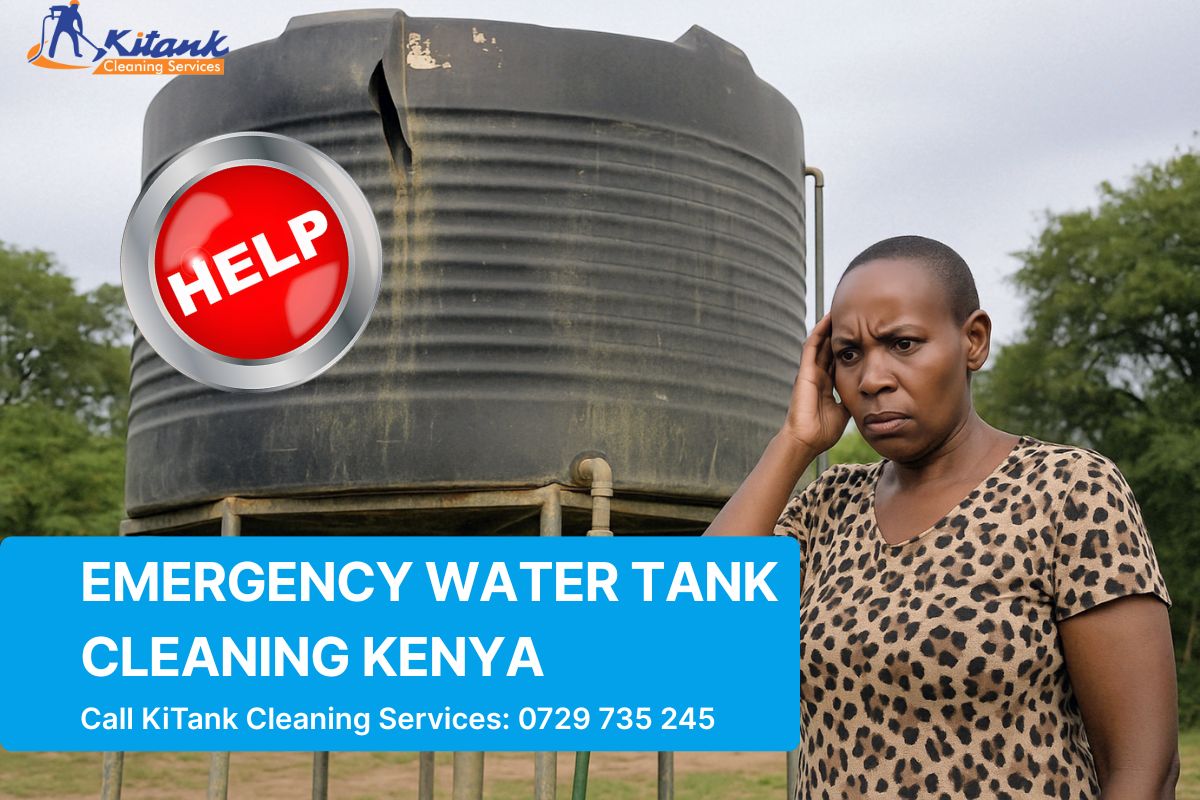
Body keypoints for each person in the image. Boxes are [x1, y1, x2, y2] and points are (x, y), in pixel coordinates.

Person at [704, 235, 1178, 799]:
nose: (872, 378)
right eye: (849, 355)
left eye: (902, 343)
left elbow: (1143, 770)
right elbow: (694, 640)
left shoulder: (1069, 490)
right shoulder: (828, 507)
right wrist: (794, 441)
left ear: (973, 341)